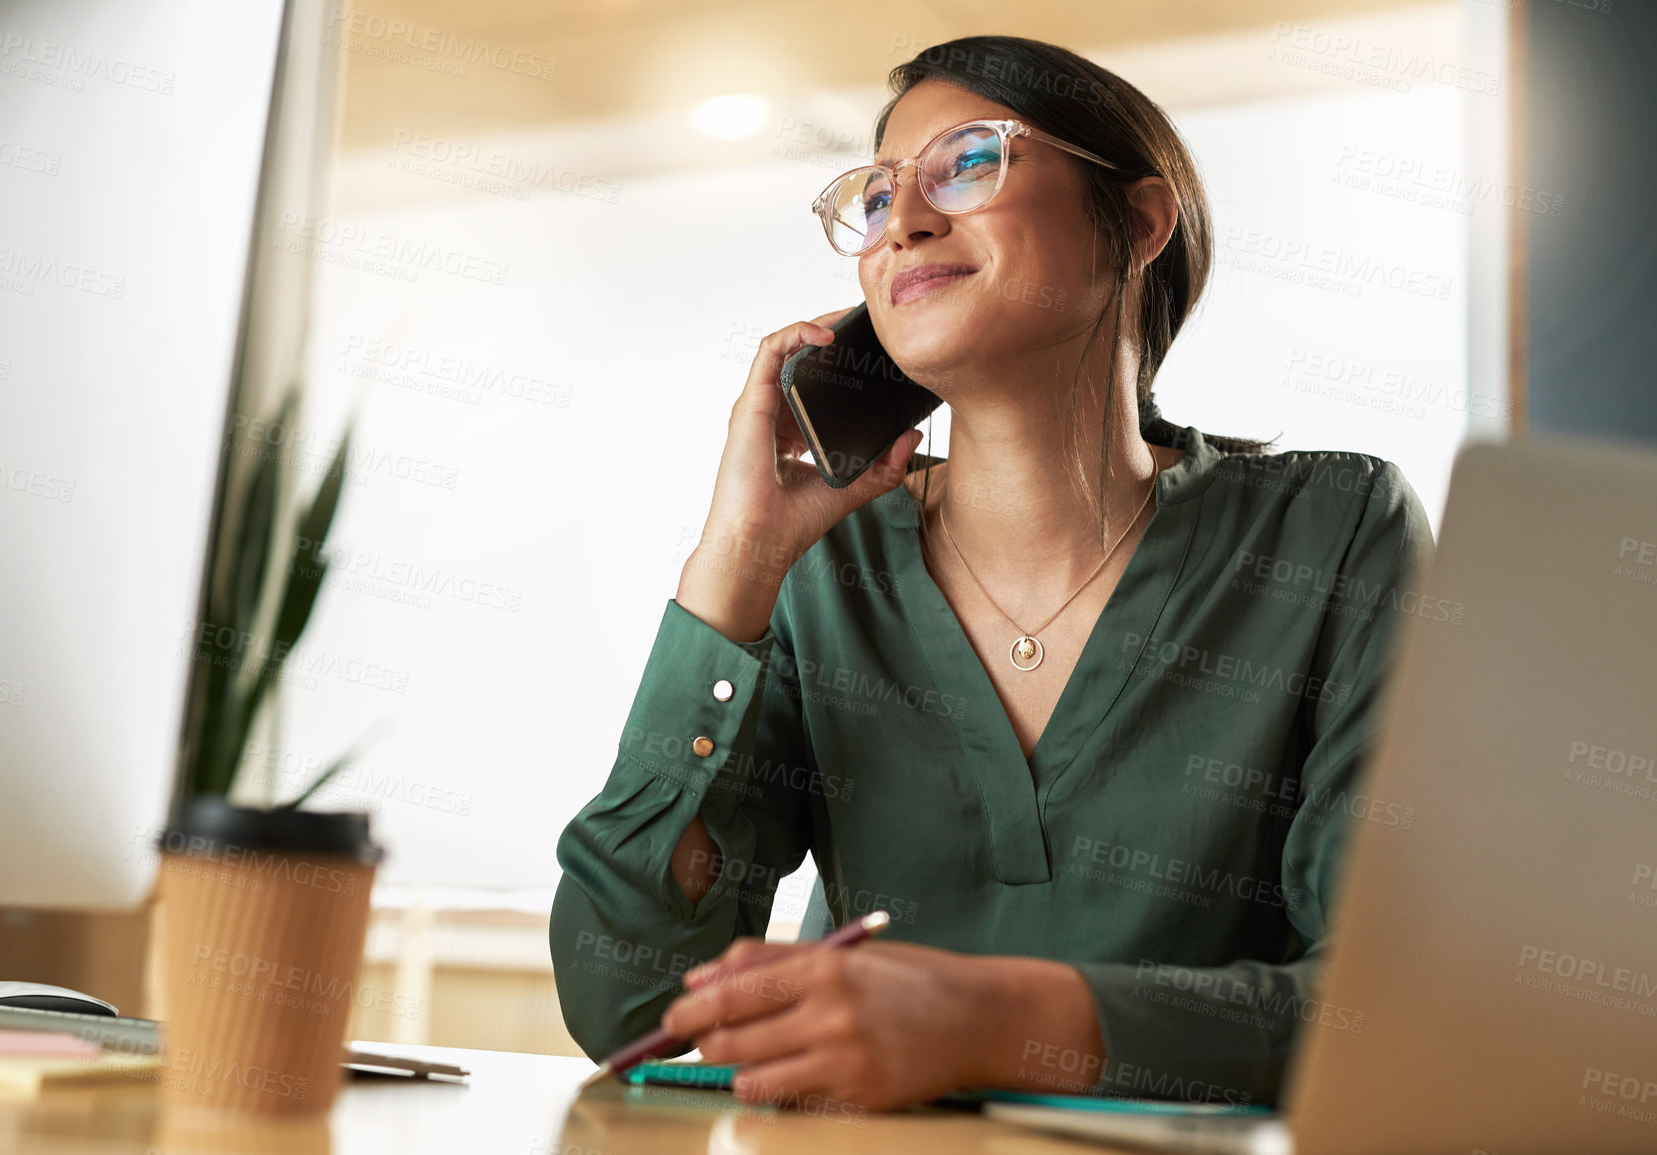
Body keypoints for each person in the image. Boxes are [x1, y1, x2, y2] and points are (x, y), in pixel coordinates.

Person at [549, 35, 1432, 1113]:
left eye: (968, 163)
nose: (905, 221)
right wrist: (736, 561)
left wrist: (995, 1025)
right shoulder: (826, 569)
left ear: (1141, 222)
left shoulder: (1333, 530)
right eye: (877, 197)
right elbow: (633, 1010)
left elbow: (1396, 1008)